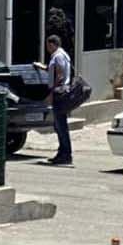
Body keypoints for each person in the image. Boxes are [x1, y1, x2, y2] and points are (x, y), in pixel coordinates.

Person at [46, 34, 75, 166]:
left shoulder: (58, 56)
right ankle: (61, 152)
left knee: (61, 125)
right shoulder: (62, 55)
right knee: (58, 125)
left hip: (59, 93)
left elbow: (60, 75)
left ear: (52, 44)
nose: (47, 48)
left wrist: (51, 92)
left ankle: (66, 154)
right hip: (60, 91)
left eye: (48, 45)